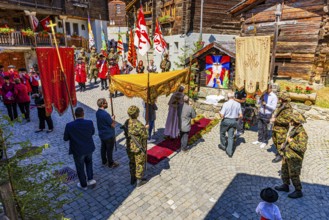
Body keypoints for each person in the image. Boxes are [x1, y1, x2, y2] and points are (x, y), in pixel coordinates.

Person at [275, 112, 308, 199]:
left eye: (292, 120)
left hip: (295, 158)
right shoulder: (295, 129)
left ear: (296, 121)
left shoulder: (302, 134)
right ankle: (285, 185)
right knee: (284, 171)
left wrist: (291, 142)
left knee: (294, 175)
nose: (290, 121)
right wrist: (285, 145)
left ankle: (298, 191)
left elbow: (302, 148)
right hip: (288, 155)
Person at [64, 107, 97, 190]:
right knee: (89, 163)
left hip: (78, 150)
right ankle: (90, 179)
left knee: (80, 167)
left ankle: (83, 185)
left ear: (75, 115)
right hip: (88, 148)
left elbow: (65, 138)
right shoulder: (89, 123)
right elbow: (92, 132)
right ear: (83, 114)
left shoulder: (69, 125)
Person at [122, 105, 148, 187]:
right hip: (138, 148)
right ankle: (139, 180)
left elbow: (125, 133)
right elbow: (145, 136)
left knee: (132, 163)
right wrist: (145, 128)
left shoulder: (126, 122)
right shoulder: (139, 124)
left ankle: (132, 178)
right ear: (136, 114)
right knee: (139, 163)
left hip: (129, 147)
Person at [95, 98, 119, 168]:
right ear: (102, 104)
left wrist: (110, 118)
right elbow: (113, 125)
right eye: (106, 103)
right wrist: (113, 119)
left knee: (103, 148)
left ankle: (104, 161)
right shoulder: (105, 114)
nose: (107, 103)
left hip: (102, 134)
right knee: (109, 150)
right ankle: (111, 163)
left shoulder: (97, 112)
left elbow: (105, 121)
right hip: (108, 135)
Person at [252, 85, 278, 149]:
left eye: (267, 89)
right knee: (259, 127)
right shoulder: (264, 94)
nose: (266, 90)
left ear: (271, 89)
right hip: (261, 112)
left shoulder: (274, 97)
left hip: (267, 114)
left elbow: (273, 107)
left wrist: (266, 104)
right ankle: (259, 139)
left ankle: (264, 141)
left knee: (265, 128)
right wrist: (258, 98)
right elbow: (258, 103)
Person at [271, 93, 293, 163]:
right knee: (275, 140)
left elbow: (287, 120)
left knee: (280, 142)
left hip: (282, 129)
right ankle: (279, 151)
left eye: (280, 98)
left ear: (284, 99)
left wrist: (276, 120)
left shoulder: (288, 109)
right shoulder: (282, 105)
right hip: (276, 127)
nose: (279, 99)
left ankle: (281, 155)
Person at [219, 92, 243, 157]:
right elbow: (241, 115)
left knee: (222, 133)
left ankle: (223, 145)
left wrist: (219, 112)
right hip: (234, 121)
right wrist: (236, 118)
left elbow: (222, 116)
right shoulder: (238, 104)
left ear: (228, 97)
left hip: (226, 121)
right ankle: (229, 152)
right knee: (231, 136)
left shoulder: (225, 104)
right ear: (233, 97)